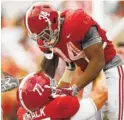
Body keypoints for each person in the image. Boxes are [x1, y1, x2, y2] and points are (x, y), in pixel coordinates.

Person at [24, 2, 124, 120]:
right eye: (39, 37)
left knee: (115, 113)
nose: (43, 40)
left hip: (109, 68)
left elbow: (98, 61)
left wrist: (74, 88)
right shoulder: (46, 41)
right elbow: (58, 68)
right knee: (91, 116)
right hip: (90, 75)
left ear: (54, 22)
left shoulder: (76, 22)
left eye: (44, 34)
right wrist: (44, 94)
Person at [17, 71, 107, 120]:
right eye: (49, 88)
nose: (53, 88)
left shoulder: (23, 113)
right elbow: (101, 94)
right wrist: (97, 66)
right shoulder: (61, 107)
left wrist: (69, 71)